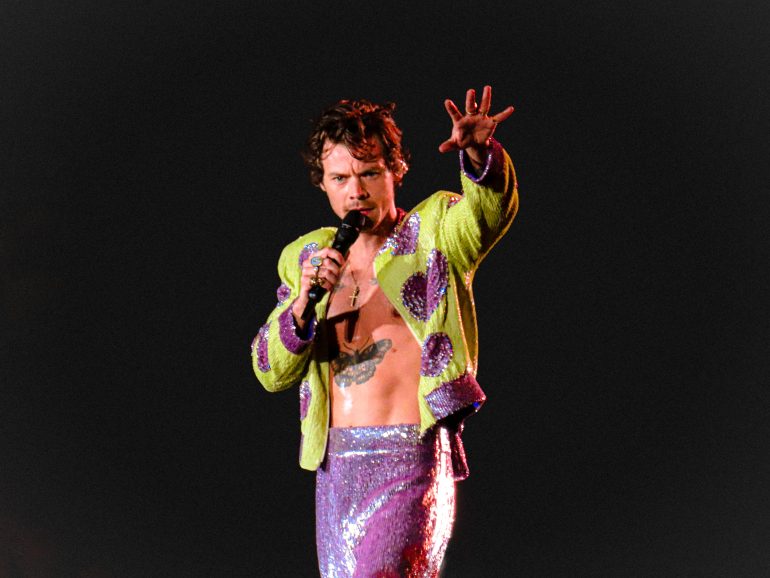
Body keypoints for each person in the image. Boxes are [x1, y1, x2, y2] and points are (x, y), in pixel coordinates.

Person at [252, 85, 518, 577]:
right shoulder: (305, 258)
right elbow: (270, 370)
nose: (356, 191)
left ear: (396, 170)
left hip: (410, 458)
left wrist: (480, 155)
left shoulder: (433, 232)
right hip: (336, 469)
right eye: (340, 177)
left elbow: (487, 214)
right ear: (323, 184)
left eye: (370, 172)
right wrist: (303, 304)